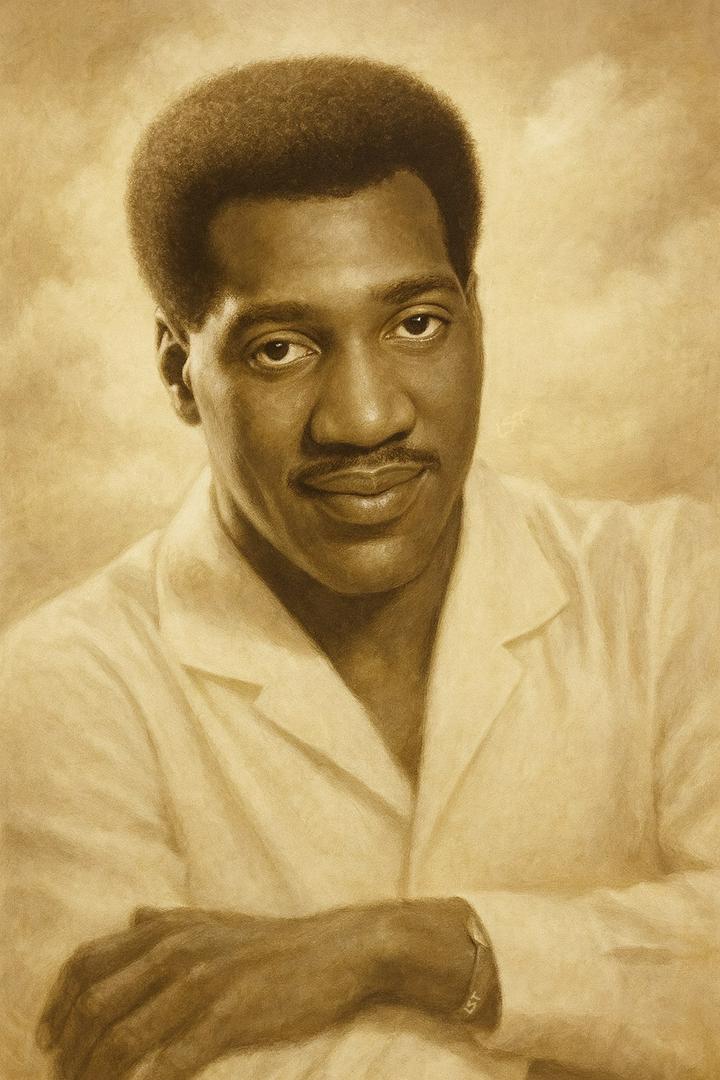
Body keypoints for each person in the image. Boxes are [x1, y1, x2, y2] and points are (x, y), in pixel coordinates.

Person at [1, 55, 718, 1080]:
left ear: (476, 315)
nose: (366, 418)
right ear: (178, 373)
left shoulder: (672, 584)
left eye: (416, 324)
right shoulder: (57, 687)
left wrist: (392, 950)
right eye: (281, 349)